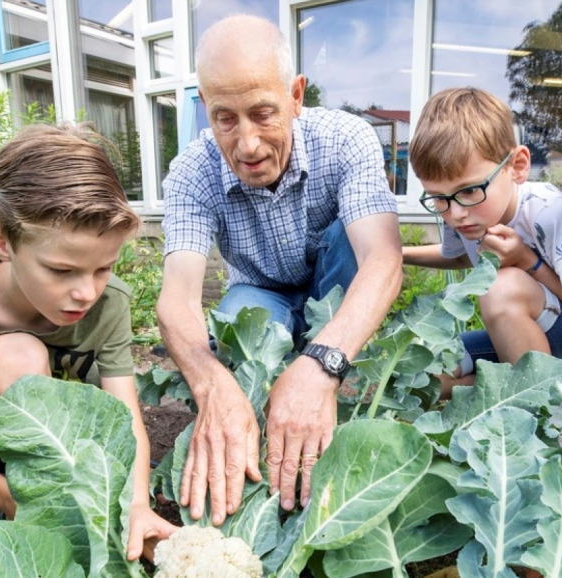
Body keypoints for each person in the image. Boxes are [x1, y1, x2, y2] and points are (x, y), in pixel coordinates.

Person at [157, 14, 402, 522]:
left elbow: (383, 258)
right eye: (225, 118)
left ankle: (332, 377)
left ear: (295, 95)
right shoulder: (190, 172)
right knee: (237, 332)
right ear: (205, 107)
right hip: (259, 291)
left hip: (334, 284)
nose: (246, 144)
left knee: (348, 238)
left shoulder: (346, 138)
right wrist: (211, 385)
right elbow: (177, 298)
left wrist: (322, 366)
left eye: (263, 113)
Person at [0, 124, 176, 560]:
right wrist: (5, 496)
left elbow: (127, 417)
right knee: (15, 355)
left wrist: (137, 504)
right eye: (62, 271)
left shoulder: (110, 303)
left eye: (102, 268)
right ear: (1, 242)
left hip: (78, 455)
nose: (87, 292)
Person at [402, 88, 562, 392]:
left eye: (470, 190)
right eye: (437, 198)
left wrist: (528, 261)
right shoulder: (460, 208)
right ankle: (509, 391)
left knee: (503, 288)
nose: (456, 214)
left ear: (517, 166)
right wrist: (399, 253)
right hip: (528, 338)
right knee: (427, 369)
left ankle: (534, 405)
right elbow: (458, 256)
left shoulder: (552, 214)